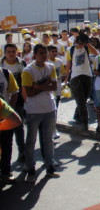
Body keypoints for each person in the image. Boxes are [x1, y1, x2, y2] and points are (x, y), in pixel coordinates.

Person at [22, 44, 60, 182]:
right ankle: (30, 168)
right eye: (41, 53)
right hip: (33, 110)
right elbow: (29, 93)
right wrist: (45, 87)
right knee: (31, 140)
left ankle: (50, 166)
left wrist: (37, 86)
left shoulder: (50, 67)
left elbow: (54, 86)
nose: (44, 55)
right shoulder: (28, 70)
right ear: (35, 55)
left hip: (49, 109)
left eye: (45, 53)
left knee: (48, 140)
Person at [1, 43, 27, 162]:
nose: (11, 54)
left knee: (18, 127)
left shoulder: (22, 64)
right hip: (3, 104)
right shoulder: (1, 66)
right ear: (5, 53)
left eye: (13, 51)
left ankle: (22, 151)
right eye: (9, 51)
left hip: (17, 101)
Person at [66, 33, 98, 130]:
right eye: (80, 42)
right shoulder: (70, 50)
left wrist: (87, 43)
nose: (80, 44)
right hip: (75, 76)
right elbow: (68, 64)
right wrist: (66, 78)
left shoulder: (87, 48)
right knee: (80, 99)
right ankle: (85, 121)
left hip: (87, 75)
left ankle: (77, 115)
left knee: (84, 98)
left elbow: (96, 53)